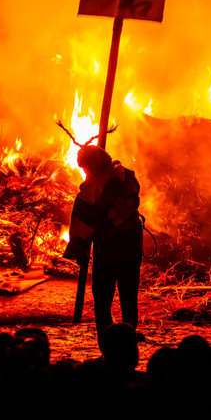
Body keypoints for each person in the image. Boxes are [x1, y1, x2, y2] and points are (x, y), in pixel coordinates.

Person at [63, 144, 143, 345]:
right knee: (129, 297)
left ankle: (108, 346)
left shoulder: (90, 193)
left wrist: (79, 249)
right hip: (132, 245)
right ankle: (128, 341)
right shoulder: (126, 177)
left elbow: (82, 228)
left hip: (108, 250)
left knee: (103, 302)